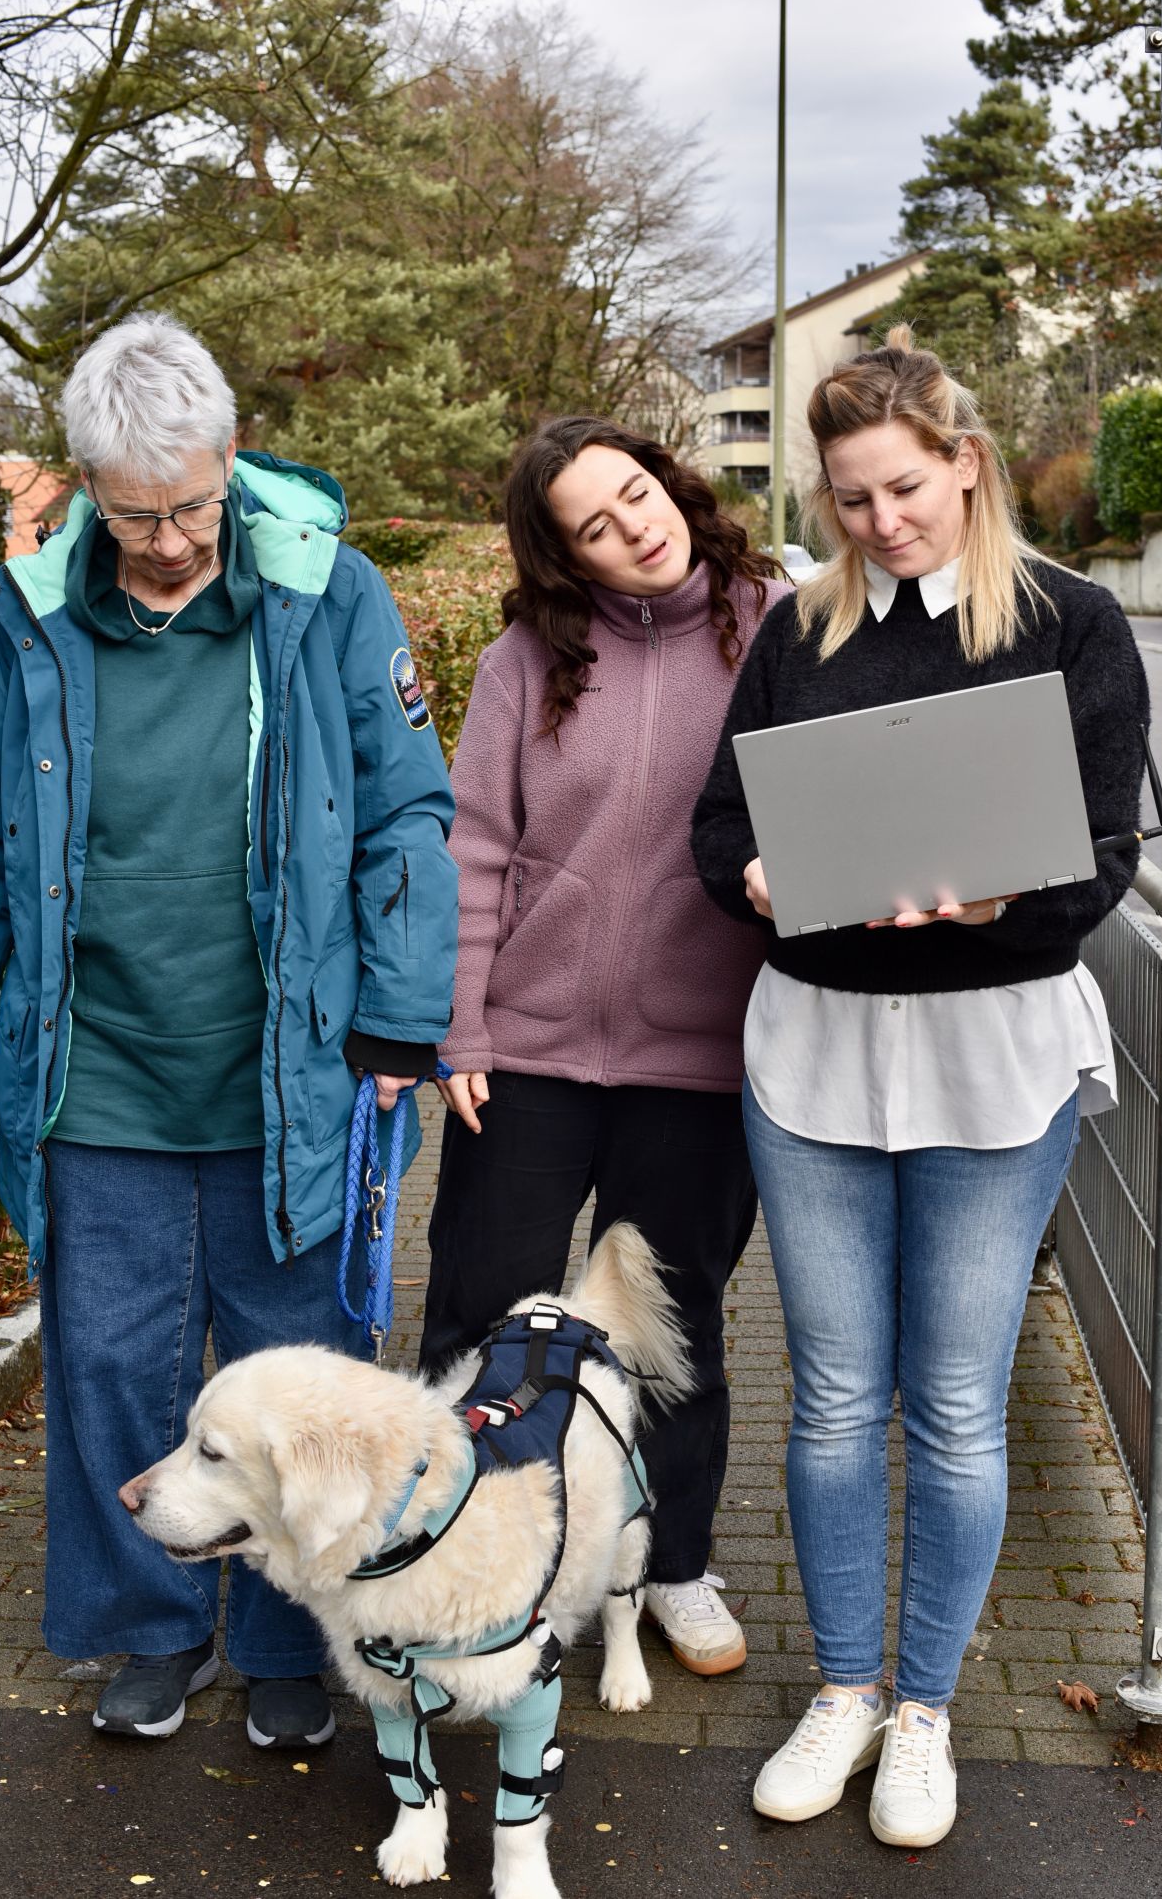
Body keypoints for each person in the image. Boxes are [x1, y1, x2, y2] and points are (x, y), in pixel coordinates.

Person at [691, 326, 1150, 1847]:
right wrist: (758, 876)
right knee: (834, 1399)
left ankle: (930, 1708)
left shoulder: (1075, 624)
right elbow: (714, 831)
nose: (880, 523)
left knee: (951, 1400)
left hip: (990, 1052)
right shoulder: (799, 635)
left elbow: (1099, 863)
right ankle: (844, 1687)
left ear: (965, 463)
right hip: (817, 1050)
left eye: (904, 488)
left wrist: (985, 905)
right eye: (849, 500)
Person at [0, 314, 458, 1747]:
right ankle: (146, 1622)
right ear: (87, 488)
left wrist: (396, 1022)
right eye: (135, 516)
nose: (171, 541)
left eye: (190, 505)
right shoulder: (24, 616)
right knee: (114, 1361)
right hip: (96, 1069)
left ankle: (292, 1637)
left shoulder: (332, 594)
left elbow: (408, 820)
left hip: (293, 1065)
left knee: (298, 1369)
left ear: (232, 459)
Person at [418, 415, 786, 1676]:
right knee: (481, 1317)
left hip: (699, 1064)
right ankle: (462, 1555)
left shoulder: (775, 624)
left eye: (636, 494)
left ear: (668, 482)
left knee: (669, 1332)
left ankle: (674, 1564)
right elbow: (472, 849)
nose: (634, 527)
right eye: (595, 524)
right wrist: (460, 1023)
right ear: (564, 557)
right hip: (523, 1058)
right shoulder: (526, 660)